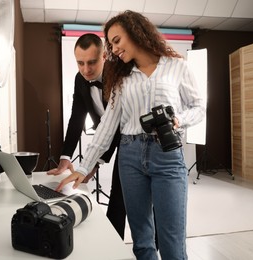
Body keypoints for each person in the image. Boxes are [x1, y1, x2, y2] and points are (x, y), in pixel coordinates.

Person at [55, 10, 205, 260]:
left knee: (171, 240)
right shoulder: (121, 76)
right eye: (110, 43)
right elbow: (107, 125)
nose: (113, 49)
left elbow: (198, 107)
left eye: (117, 41)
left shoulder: (177, 66)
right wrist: (83, 167)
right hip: (130, 155)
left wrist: (178, 120)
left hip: (167, 155)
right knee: (142, 240)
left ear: (136, 32)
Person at [47, 33, 126, 239]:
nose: (85, 69)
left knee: (120, 193)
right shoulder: (80, 80)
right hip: (105, 135)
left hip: (128, 136)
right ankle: (112, 243)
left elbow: (115, 126)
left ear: (104, 57)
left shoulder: (118, 75)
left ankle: (118, 245)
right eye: (80, 63)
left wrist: (94, 161)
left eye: (91, 62)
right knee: (119, 197)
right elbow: (76, 118)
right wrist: (65, 157)